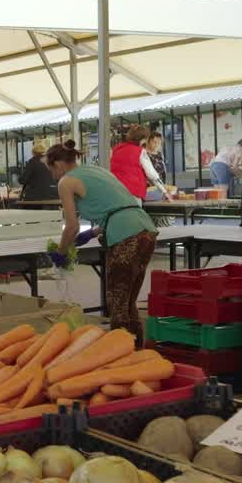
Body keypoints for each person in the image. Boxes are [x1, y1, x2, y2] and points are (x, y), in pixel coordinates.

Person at [48, 141, 157, 341]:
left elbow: (71, 226)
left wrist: (61, 252)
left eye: (52, 170)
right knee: (128, 300)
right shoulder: (98, 171)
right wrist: (91, 233)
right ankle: (137, 351)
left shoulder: (66, 182)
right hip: (146, 230)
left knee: (117, 302)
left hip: (125, 236)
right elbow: (118, 206)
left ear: (58, 164)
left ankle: (120, 353)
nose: (53, 176)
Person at [111, 125, 171, 203]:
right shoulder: (140, 151)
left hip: (116, 192)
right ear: (142, 139)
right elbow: (152, 174)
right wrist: (164, 191)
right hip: (132, 193)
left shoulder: (117, 149)